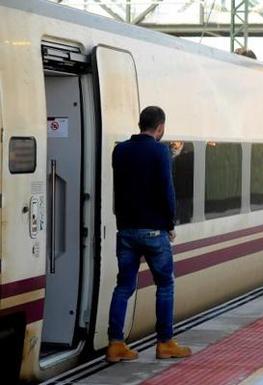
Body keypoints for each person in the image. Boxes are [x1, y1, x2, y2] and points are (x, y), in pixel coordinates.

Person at [106, 106, 191, 362]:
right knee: (165, 285)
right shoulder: (160, 150)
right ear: (160, 127)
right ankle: (165, 343)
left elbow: (120, 188)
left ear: (140, 123)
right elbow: (167, 189)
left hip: (127, 230)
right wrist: (170, 224)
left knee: (123, 286)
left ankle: (115, 345)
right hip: (154, 231)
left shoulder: (120, 150)